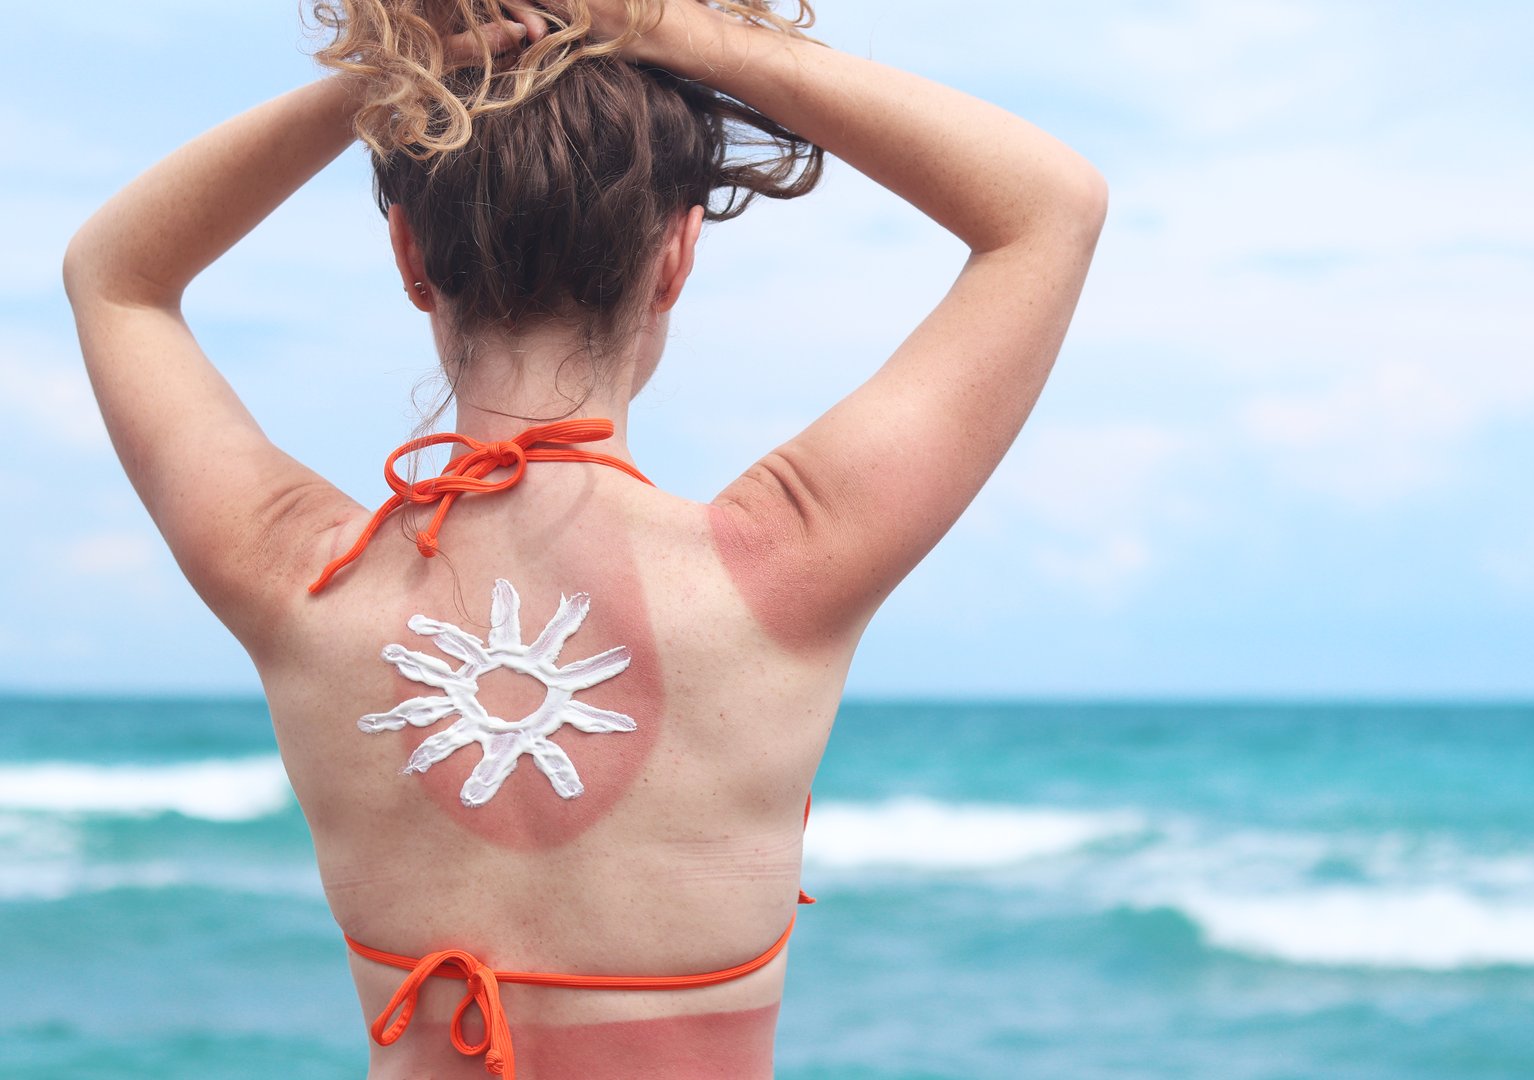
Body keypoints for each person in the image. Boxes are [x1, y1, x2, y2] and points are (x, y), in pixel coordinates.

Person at [63, 1, 1107, 1075]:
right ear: (677, 255)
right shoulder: (787, 561)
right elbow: (1048, 205)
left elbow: (115, 277)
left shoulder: (301, 575)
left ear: (409, 252)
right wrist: (674, 27)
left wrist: (388, 79)